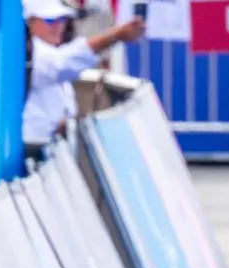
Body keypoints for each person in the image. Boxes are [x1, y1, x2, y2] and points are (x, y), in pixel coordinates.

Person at [21, 0, 144, 155]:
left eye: (62, 20)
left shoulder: (49, 53)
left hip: (52, 148)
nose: (59, 26)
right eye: (50, 20)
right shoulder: (28, 53)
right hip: (32, 149)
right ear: (30, 22)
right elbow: (63, 63)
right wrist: (115, 35)